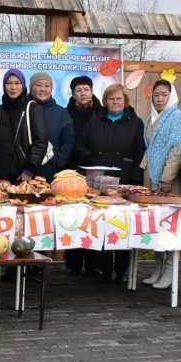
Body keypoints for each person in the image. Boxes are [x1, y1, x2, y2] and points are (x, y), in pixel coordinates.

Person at [75, 83, 145, 283]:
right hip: (99, 180)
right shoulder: (95, 120)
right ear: (105, 101)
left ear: (125, 101)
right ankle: (104, 268)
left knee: (122, 224)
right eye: (111, 99)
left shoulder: (136, 123)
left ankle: (122, 269)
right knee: (103, 223)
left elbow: (140, 152)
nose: (115, 102)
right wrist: (92, 160)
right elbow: (80, 144)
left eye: (119, 99)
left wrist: (134, 179)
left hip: (124, 179)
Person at [140, 80, 181, 289]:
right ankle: (158, 268)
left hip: (168, 180)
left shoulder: (177, 118)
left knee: (170, 225)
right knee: (156, 224)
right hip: (150, 176)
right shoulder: (152, 117)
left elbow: (176, 151)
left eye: (164, 95)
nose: (160, 99)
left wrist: (166, 179)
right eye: (157, 95)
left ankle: (169, 271)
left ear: (172, 96)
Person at [64, 75, 104, 276]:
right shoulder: (66, 113)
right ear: (72, 93)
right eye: (78, 90)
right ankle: (73, 263)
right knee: (73, 217)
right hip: (71, 170)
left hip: (96, 171)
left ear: (91, 91)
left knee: (94, 217)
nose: (82, 93)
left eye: (86, 89)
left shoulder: (101, 112)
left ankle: (93, 263)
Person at [1, 68, 48, 183]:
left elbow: (40, 141)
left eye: (17, 83)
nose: (13, 87)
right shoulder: (0, 110)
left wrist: (29, 169)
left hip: (25, 173)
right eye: (9, 83)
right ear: (4, 86)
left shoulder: (33, 107)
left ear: (23, 85)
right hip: (2, 173)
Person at [29, 71, 74, 181]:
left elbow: (68, 141)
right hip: (23, 172)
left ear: (51, 89)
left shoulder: (61, 113)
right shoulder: (23, 109)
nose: (43, 89)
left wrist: (57, 162)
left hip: (50, 173)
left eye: (47, 86)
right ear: (31, 88)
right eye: (38, 85)